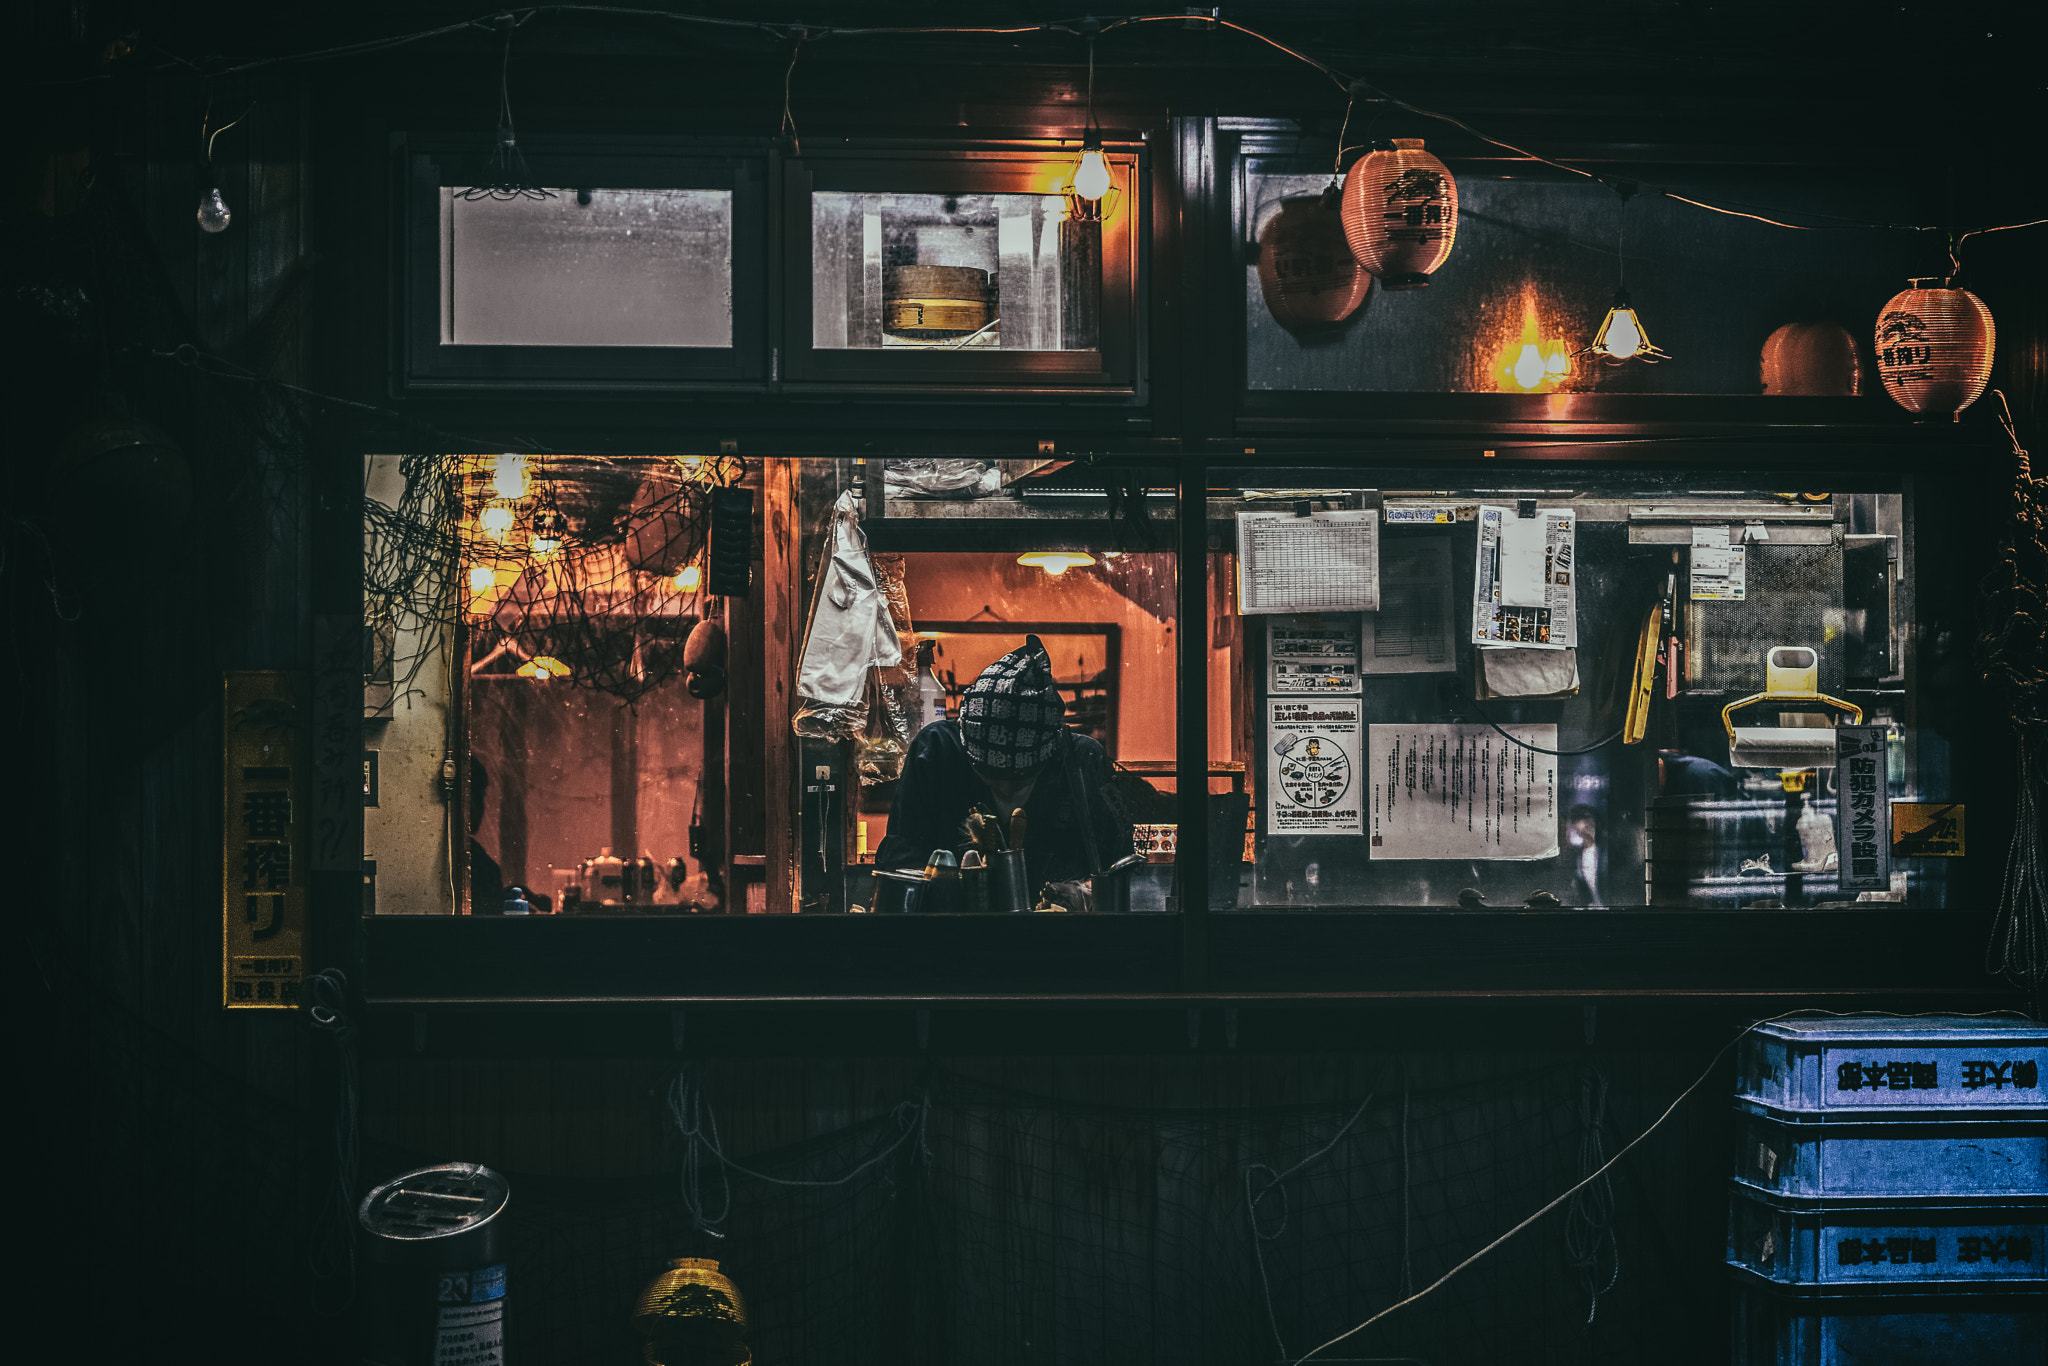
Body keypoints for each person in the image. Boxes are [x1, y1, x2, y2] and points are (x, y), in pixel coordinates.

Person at [875, 635, 1133, 909]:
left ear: (1050, 753)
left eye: (1021, 780)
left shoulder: (1082, 760)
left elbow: (1119, 864)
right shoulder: (936, 751)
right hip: (950, 938)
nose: (1007, 791)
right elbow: (900, 862)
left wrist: (1086, 893)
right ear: (968, 750)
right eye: (992, 779)